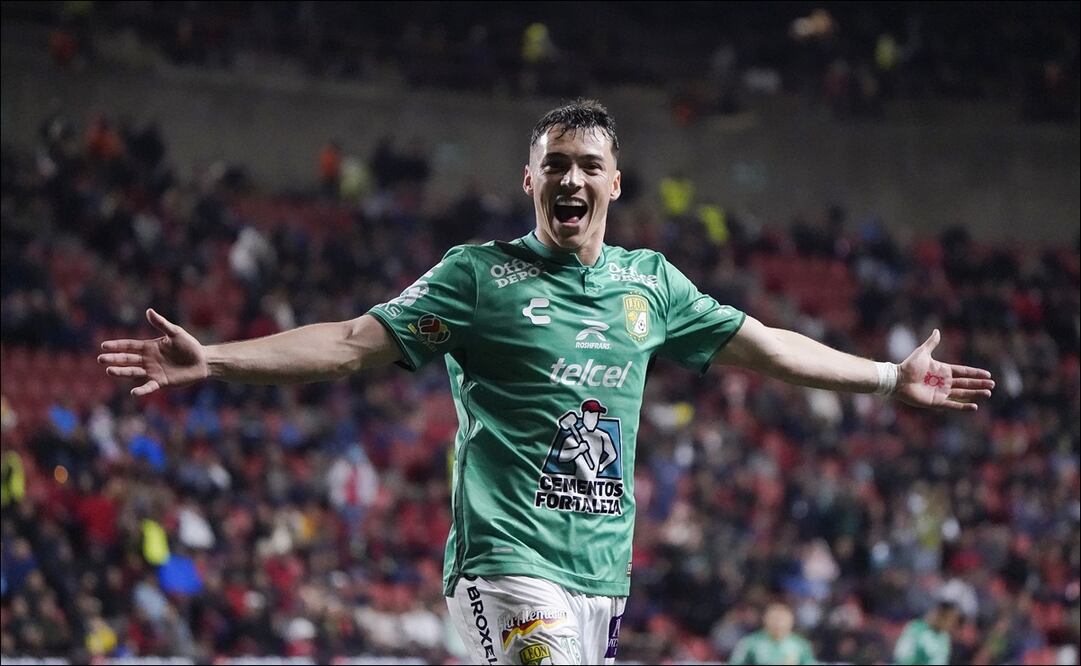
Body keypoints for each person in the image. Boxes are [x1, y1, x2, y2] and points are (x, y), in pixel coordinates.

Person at [98, 99, 995, 665]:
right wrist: (216, 356)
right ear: (530, 179)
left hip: (601, 573)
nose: (570, 178)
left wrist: (885, 376)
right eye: (554, 164)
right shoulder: (477, 278)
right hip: (505, 563)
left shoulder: (651, 285)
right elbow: (348, 342)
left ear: (613, 182)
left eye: (587, 165)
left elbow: (762, 344)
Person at [730, 602, 816, 665]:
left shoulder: (801, 645)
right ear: (765, 620)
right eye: (775, 618)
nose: (778, 623)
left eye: (783, 619)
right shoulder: (749, 643)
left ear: (791, 621)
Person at [893, 600, 962, 665]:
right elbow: (901, 654)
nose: (951, 624)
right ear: (940, 616)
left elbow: (940, 661)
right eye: (950, 620)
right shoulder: (915, 628)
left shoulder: (944, 638)